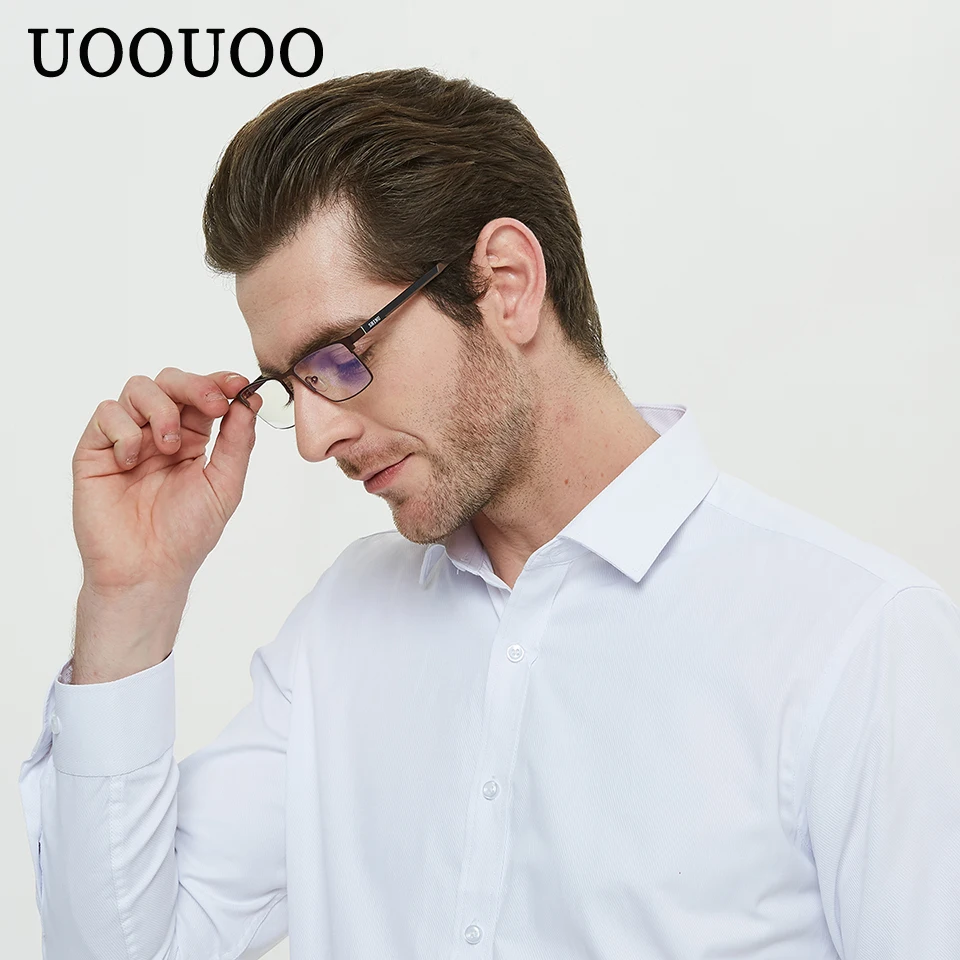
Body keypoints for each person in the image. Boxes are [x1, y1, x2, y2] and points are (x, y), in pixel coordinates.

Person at [18, 67, 960, 960]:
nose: (311, 437)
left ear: (505, 284)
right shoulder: (345, 628)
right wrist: (131, 595)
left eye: (340, 358)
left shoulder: (858, 644)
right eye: (288, 384)